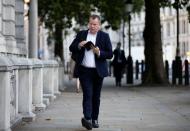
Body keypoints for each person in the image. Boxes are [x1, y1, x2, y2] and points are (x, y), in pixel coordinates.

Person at [69, 14, 113, 130]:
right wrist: (79, 45)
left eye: (95, 24)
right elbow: (71, 47)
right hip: (84, 70)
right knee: (88, 94)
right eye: (90, 24)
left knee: (96, 96)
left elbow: (110, 54)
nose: (92, 26)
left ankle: (95, 119)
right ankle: (87, 119)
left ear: (99, 25)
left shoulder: (104, 36)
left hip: (98, 71)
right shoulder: (82, 34)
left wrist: (99, 52)